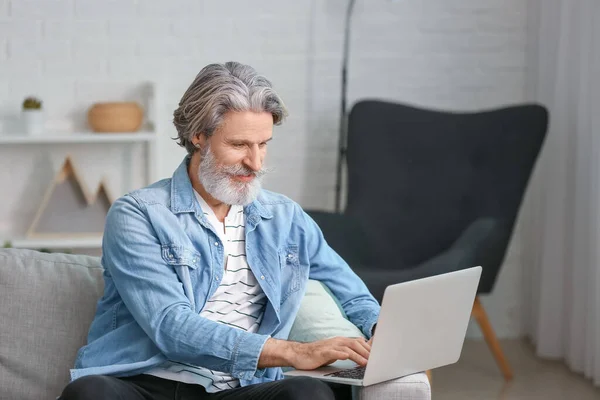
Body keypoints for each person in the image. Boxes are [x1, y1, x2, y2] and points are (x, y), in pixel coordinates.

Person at [59, 61, 380, 400]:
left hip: (240, 388)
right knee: (90, 393)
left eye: (263, 144)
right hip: (146, 384)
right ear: (199, 136)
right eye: (240, 145)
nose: (255, 163)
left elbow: (351, 294)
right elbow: (170, 326)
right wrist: (293, 352)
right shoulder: (138, 214)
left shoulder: (285, 217)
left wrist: (383, 335)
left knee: (308, 394)